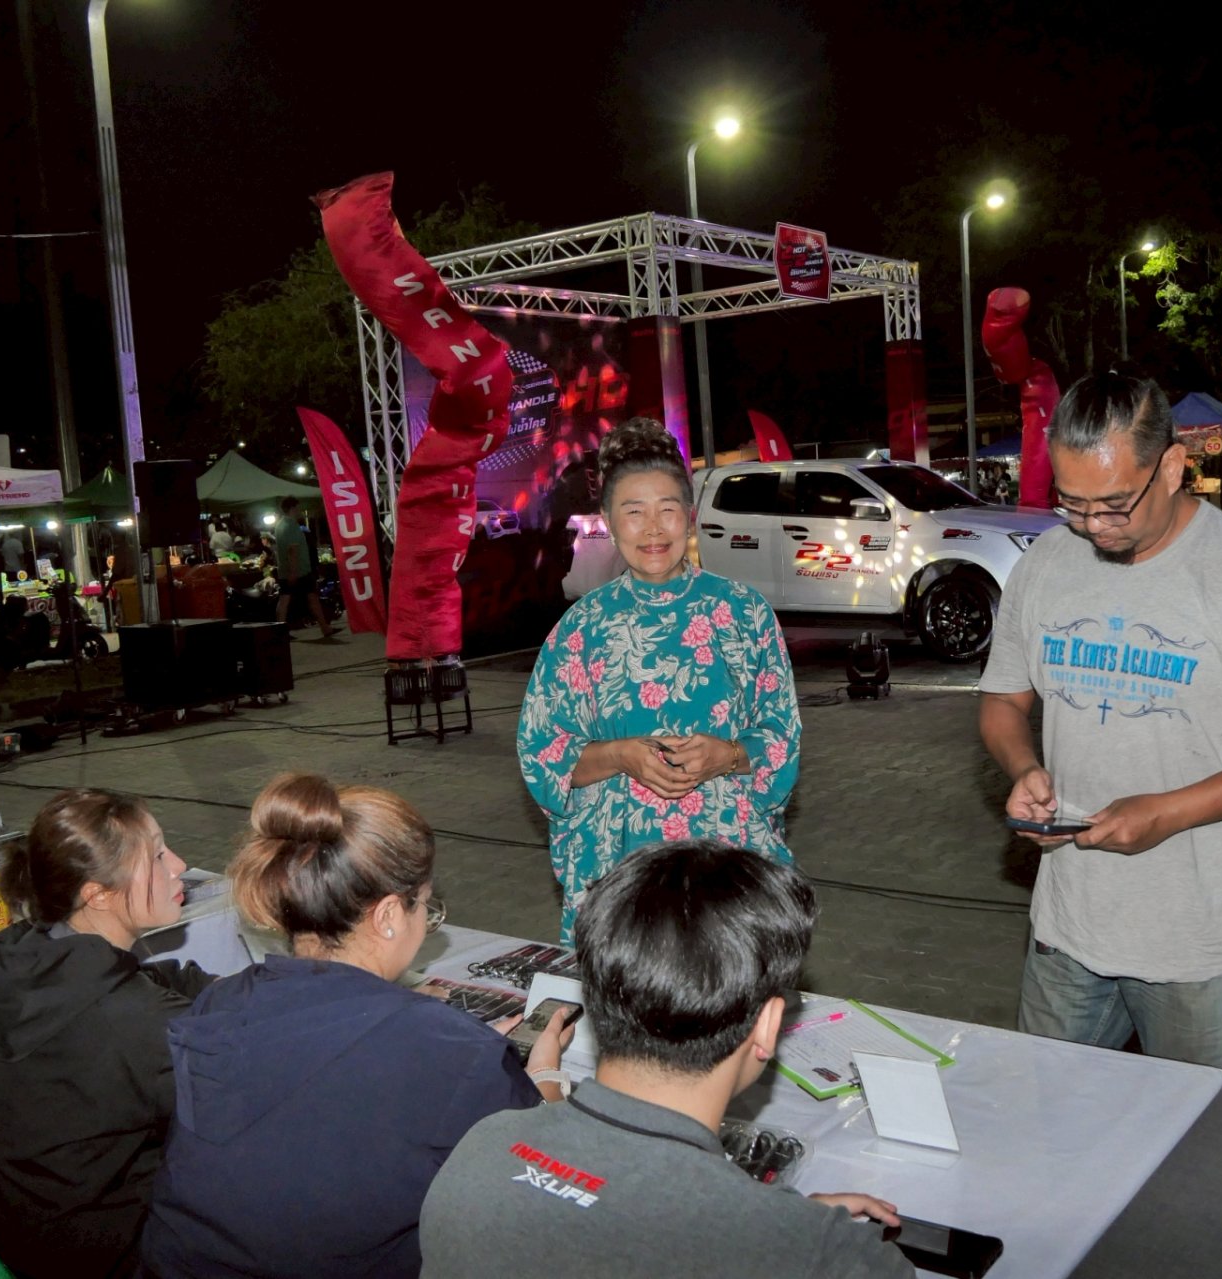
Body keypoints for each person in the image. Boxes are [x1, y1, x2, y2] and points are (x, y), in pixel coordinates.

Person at [977, 370, 1222, 1071]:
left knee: (1196, 1130)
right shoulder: (1046, 564)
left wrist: (1168, 812)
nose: (1093, 526)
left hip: (1202, 941)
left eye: (1114, 503)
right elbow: (1002, 699)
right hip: (1070, 923)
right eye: (1072, 503)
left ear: (1173, 467)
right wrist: (1023, 767)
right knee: (1042, 1111)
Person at [138, 774, 572, 1279]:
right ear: (387, 915)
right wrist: (544, 1077)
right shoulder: (452, 1054)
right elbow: (543, 1179)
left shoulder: (222, 1000)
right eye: (424, 905)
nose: (426, 921)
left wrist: (453, 1051)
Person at [420, 841, 912, 1279]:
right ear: (767, 1026)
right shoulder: (821, 1252)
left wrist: (773, 1222)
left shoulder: (481, 1147)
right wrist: (790, 1230)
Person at [518, 417, 801, 943]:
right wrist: (621, 756)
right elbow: (542, 754)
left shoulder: (744, 613)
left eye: (667, 510)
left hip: (726, 863)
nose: (653, 529)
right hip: (620, 868)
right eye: (634, 512)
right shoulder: (581, 629)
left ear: (689, 519)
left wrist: (728, 756)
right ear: (608, 521)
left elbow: (782, 737)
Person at [0, 790, 212, 1279]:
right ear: (98, 894)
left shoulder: (24, 958)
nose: (179, 865)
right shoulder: (130, 1022)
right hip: (82, 1257)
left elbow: (156, 980)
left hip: (0, 1227)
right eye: (156, 856)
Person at [271, 496, 336, 640]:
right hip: (298, 570)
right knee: (311, 598)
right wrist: (293, 571)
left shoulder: (279, 525)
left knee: (285, 600)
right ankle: (325, 628)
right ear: (292, 508)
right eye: (298, 508)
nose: (300, 511)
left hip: (286, 570)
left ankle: (280, 631)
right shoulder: (291, 526)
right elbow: (292, 550)